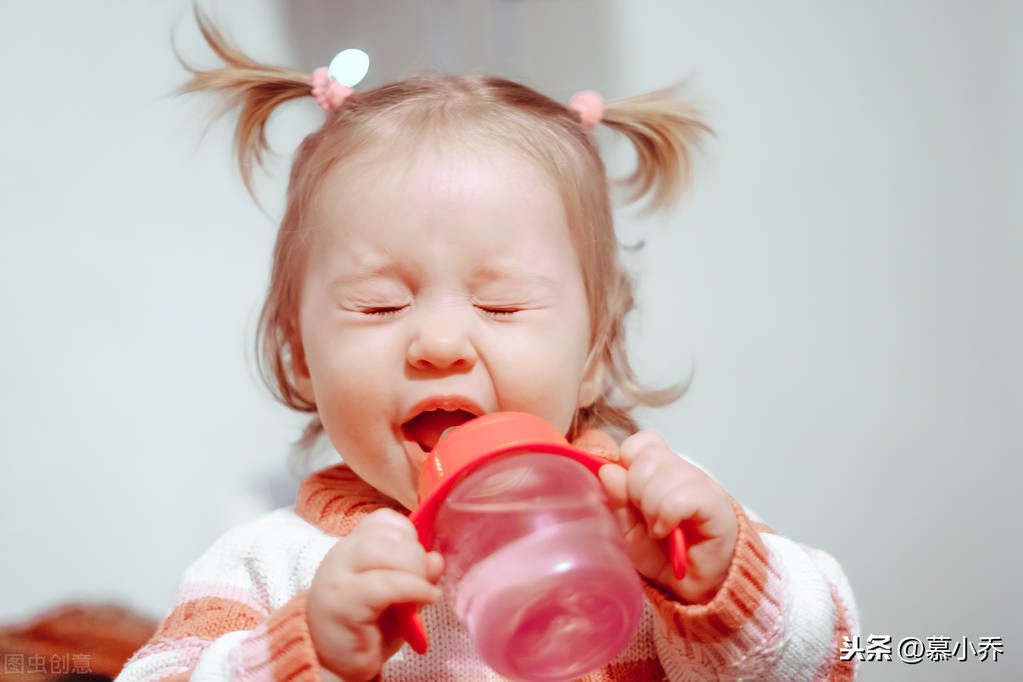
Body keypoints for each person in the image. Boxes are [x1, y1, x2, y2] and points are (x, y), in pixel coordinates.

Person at [117, 7, 858, 682]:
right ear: (300, 357)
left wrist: (721, 583)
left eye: (501, 304)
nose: (439, 343)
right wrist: (303, 648)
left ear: (594, 353)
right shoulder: (273, 564)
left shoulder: (650, 522)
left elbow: (828, 658)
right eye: (380, 305)